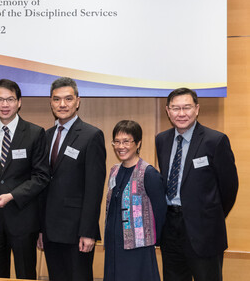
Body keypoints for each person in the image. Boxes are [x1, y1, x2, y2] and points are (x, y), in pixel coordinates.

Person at [156, 88, 238, 281]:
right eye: (176, 108)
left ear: (197, 109)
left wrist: (210, 215)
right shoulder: (162, 140)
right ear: (168, 111)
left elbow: (229, 188)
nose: (181, 113)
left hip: (205, 231)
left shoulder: (215, 141)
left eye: (187, 107)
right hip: (170, 227)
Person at [0, 79, 49, 279]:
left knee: (25, 275)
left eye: (10, 99)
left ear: (19, 102)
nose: (5, 104)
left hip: (23, 219)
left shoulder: (35, 133)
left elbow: (41, 176)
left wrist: (12, 195)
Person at [38, 77, 106, 281]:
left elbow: (94, 189)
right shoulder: (46, 136)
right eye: (57, 99)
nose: (62, 104)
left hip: (77, 232)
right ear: (50, 102)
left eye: (68, 99)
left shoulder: (91, 135)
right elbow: (42, 184)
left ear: (78, 101)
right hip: (50, 231)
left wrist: (88, 231)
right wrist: (40, 229)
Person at [104, 120, 167, 281]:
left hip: (138, 247)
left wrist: (155, 240)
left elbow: (160, 212)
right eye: (116, 141)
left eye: (126, 141)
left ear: (138, 143)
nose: (120, 146)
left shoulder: (148, 173)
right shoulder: (114, 170)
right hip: (114, 243)